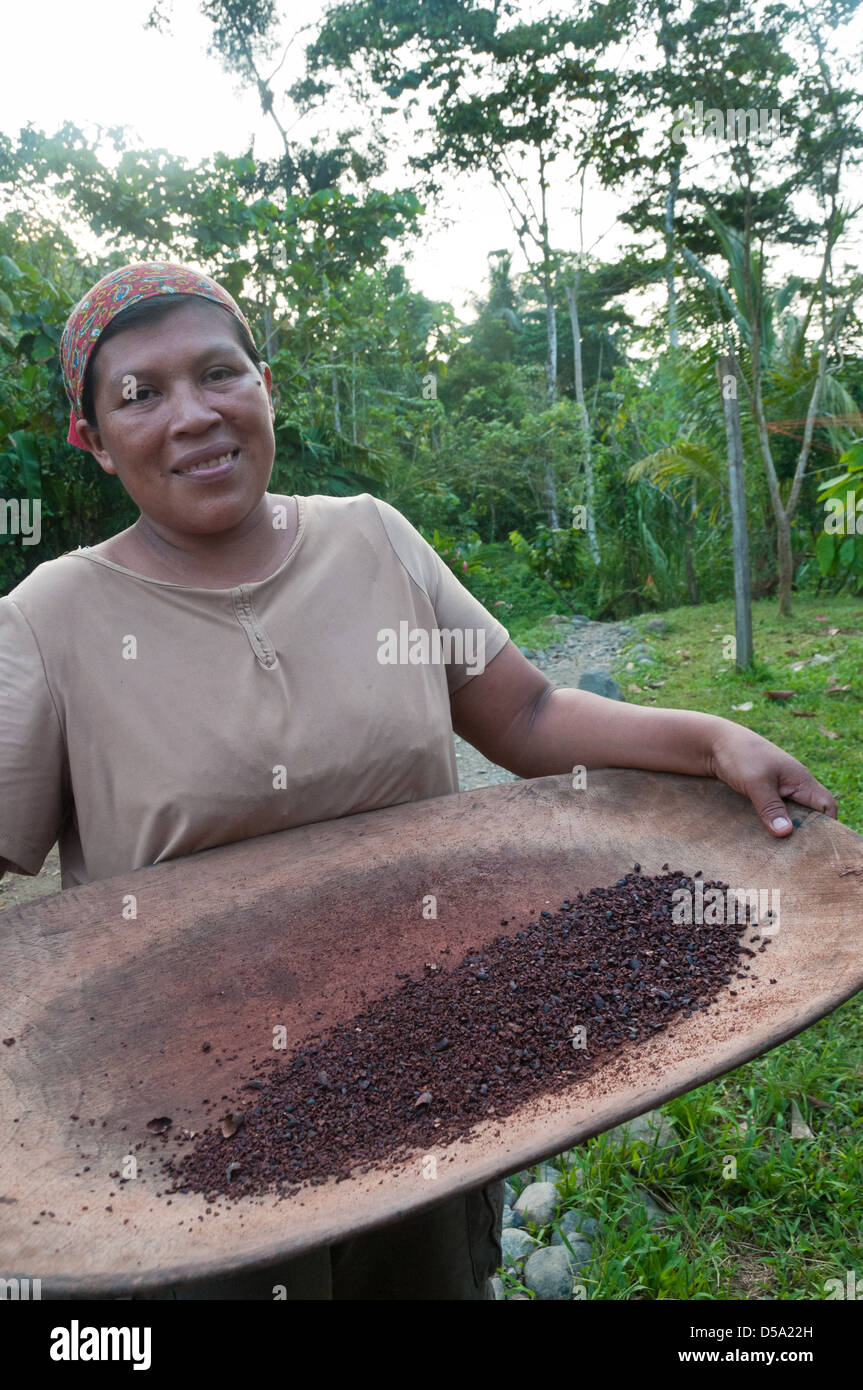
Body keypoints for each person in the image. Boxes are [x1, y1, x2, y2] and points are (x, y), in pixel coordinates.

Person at [0, 262, 837, 1300]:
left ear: (266, 382)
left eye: (220, 372)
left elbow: (526, 717)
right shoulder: (50, 619)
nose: (193, 415)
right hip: (186, 1122)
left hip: (443, 1060)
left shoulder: (372, 540)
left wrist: (710, 738)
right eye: (141, 393)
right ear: (91, 438)